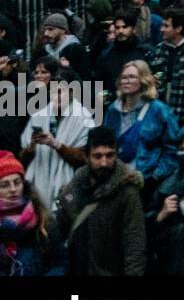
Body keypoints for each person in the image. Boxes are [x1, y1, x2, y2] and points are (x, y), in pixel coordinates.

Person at [57, 126, 147, 276]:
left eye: (109, 155)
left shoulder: (127, 192)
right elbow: (61, 227)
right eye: (97, 156)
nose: (104, 163)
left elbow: (135, 243)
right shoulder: (75, 186)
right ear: (87, 157)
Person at [18, 71, 94, 215]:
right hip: (39, 183)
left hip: (69, 185)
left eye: (61, 91)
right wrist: (32, 145)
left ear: (71, 93)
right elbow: (22, 158)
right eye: (53, 92)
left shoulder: (84, 117)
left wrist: (56, 145)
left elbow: (85, 159)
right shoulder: (38, 116)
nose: (56, 96)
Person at [102, 60, 179, 202]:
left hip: (147, 182)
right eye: (124, 77)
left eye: (132, 77)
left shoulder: (159, 110)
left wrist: (154, 176)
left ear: (143, 80)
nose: (127, 81)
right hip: (116, 181)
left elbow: (172, 150)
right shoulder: (113, 110)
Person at [0, 152, 66, 276]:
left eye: (17, 182)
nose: (13, 189)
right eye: (4, 185)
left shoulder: (42, 219)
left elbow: (61, 262)